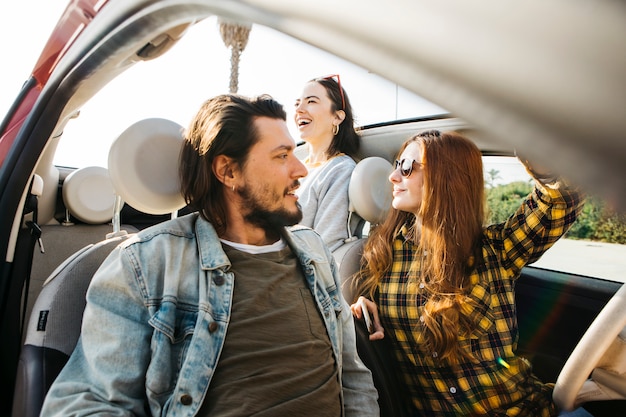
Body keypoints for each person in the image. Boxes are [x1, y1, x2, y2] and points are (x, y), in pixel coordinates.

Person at [41, 94, 379, 416]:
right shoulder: (146, 263)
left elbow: (353, 378)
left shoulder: (315, 250)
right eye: (282, 156)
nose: (301, 170)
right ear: (228, 171)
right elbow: (89, 404)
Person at [350, 130, 587, 416]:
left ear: (446, 176)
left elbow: (561, 200)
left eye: (407, 167)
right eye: (396, 165)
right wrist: (359, 306)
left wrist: (537, 150)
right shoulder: (381, 256)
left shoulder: (496, 248)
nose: (393, 176)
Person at [294, 74, 361, 251]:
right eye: (297, 103)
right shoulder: (294, 167)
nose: (299, 109)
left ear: (337, 117)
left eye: (311, 101)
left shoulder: (340, 170)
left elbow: (324, 248)